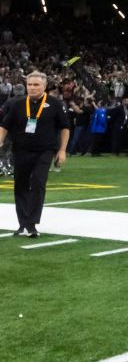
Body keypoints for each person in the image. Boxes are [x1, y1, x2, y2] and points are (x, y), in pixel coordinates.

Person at [0, 71, 70, 237]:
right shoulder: (17, 104)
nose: (32, 88)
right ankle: (23, 224)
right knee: (20, 186)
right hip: (21, 150)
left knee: (38, 182)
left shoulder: (54, 104)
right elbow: (5, 125)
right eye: (29, 85)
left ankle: (31, 224)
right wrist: (1, 139)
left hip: (45, 151)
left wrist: (62, 150)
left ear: (44, 86)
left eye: (36, 85)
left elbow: (65, 127)